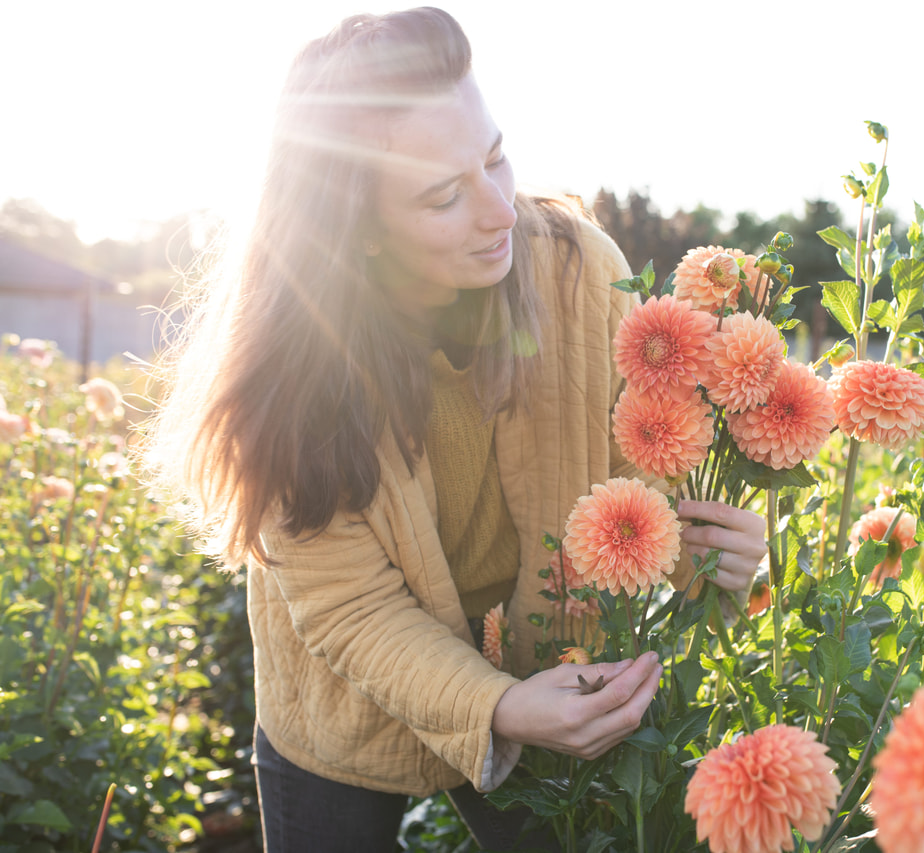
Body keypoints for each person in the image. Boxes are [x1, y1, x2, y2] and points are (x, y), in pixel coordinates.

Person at [141, 7, 766, 851]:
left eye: (496, 156)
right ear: (354, 233)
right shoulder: (290, 374)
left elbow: (646, 464)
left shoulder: (581, 274)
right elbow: (354, 611)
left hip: (540, 665)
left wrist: (717, 551)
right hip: (344, 702)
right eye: (443, 195)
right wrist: (495, 708)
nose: (501, 210)